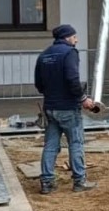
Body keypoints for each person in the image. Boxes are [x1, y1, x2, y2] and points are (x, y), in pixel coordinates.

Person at [34, 24, 98, 194]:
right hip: (68, 107)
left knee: (50, 145)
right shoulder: (70, 53)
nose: (76, 40)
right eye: (74, 37)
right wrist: (83, 98)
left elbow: (38, 84)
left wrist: (52, 93)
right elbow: (72, 79)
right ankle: (79, 180)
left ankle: (47, 182)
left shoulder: (44, 55)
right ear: (67, 37)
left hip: (50, 107)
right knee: (76, 143)